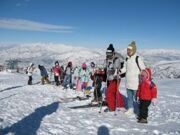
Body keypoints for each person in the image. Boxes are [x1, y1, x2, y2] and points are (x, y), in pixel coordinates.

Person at [120, 41, 146, 115]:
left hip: (136, 83)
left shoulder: (137, 59)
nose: (128, 51)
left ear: (133, 50)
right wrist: (119, 71)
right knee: (129, 98)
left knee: (137, 98)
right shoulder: (127, 58)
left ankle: (141, 110)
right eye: (127, 50)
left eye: (129, 50)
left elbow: (143, 69)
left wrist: (143, 76)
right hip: (128, 82)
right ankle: (130, 109)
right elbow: (125, 68)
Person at [104, 44, 125, 112]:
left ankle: (112, 107)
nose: (108, 54)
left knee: (109, 92)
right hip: (110, 78)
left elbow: (116, 69)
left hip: (115, 78)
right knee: (115, 92)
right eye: (107, 53)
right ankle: (120, 105)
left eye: (109, 53)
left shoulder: (116, 59)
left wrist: (110, 67)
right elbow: (105, 67)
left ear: (113, 52)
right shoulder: (107, 58)